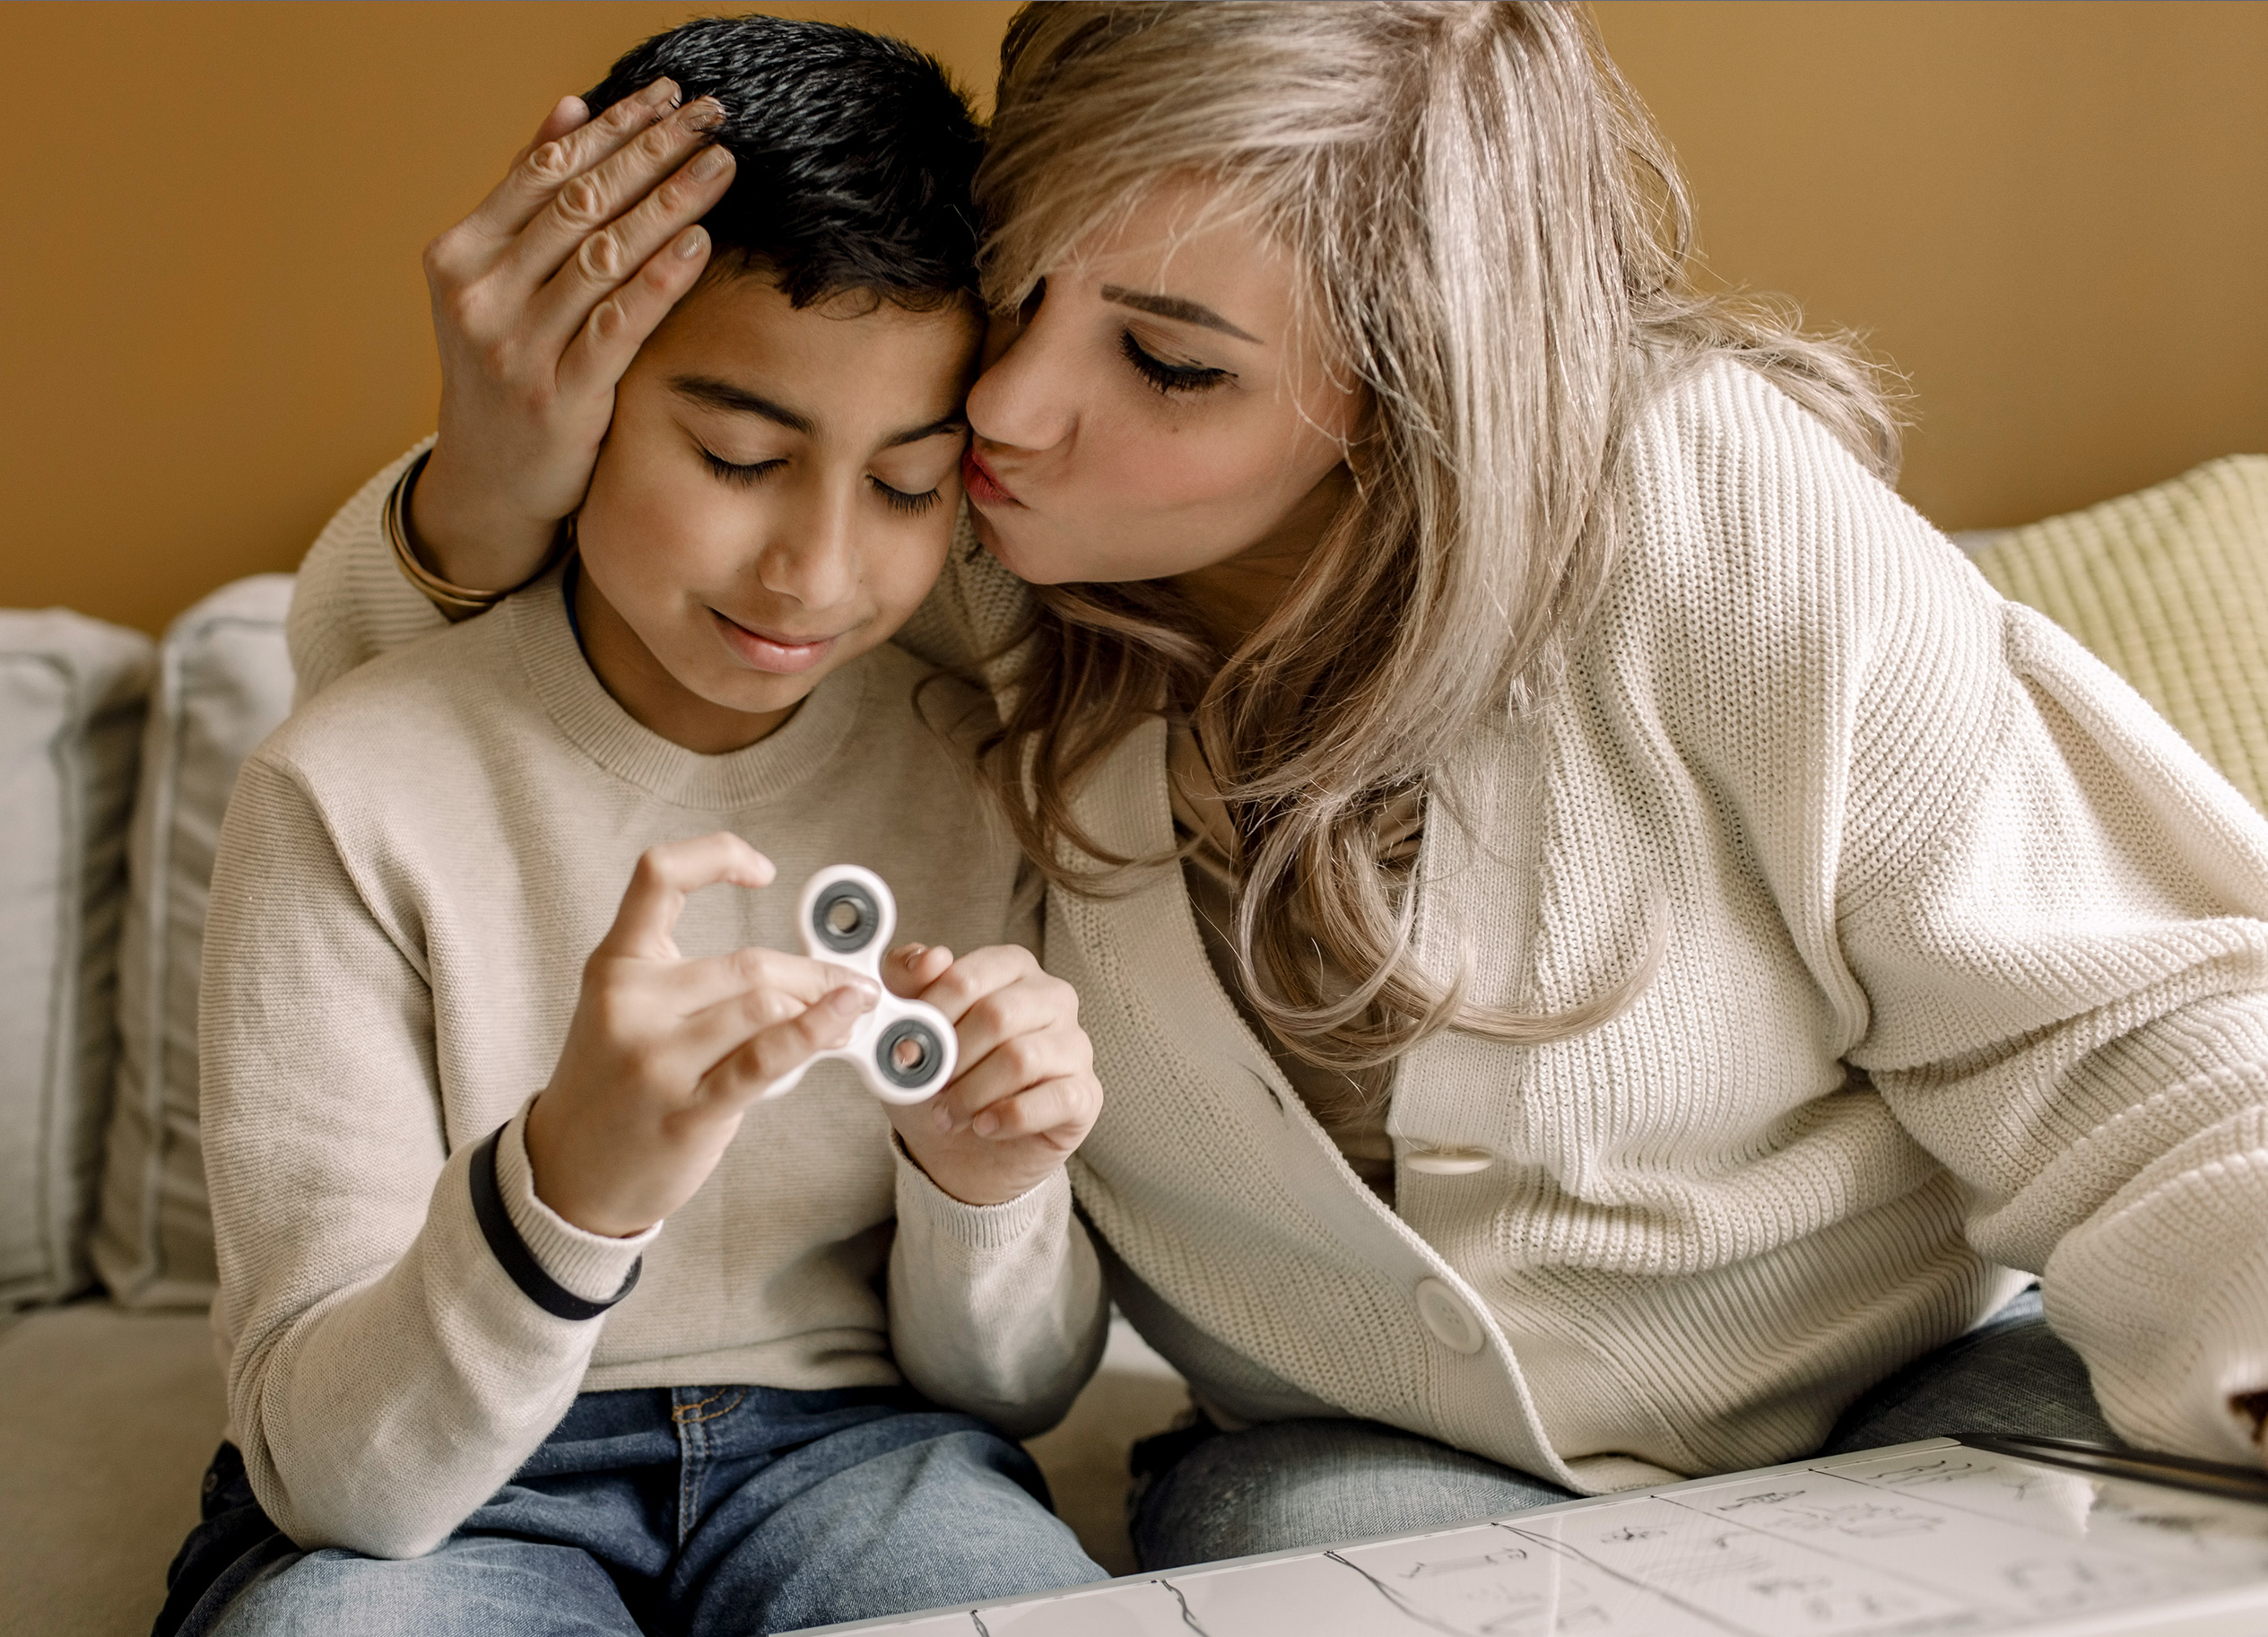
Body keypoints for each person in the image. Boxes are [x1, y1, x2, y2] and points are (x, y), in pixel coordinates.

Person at [289, 0, 2268, 1580]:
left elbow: (2129, 1033)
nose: (1007, 407)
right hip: (1352, 1474)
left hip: (1891, 1401)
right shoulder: (949, 545)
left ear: (1418, 389)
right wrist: (491, 469)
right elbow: (478, 752)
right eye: (1023, 281)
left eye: (1171, 362)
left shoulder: (1705, 505)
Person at [158, 19, 1112, 1636]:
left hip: (858, 1454)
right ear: (577, 396)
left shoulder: (978, 761)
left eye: (905, 484)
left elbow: (1012, 1388)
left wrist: (982, 1185)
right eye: (739, 455)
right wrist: (566, 1185)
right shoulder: (347, 789)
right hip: (454, 1498)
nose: (815, 572)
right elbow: (341, 1480)